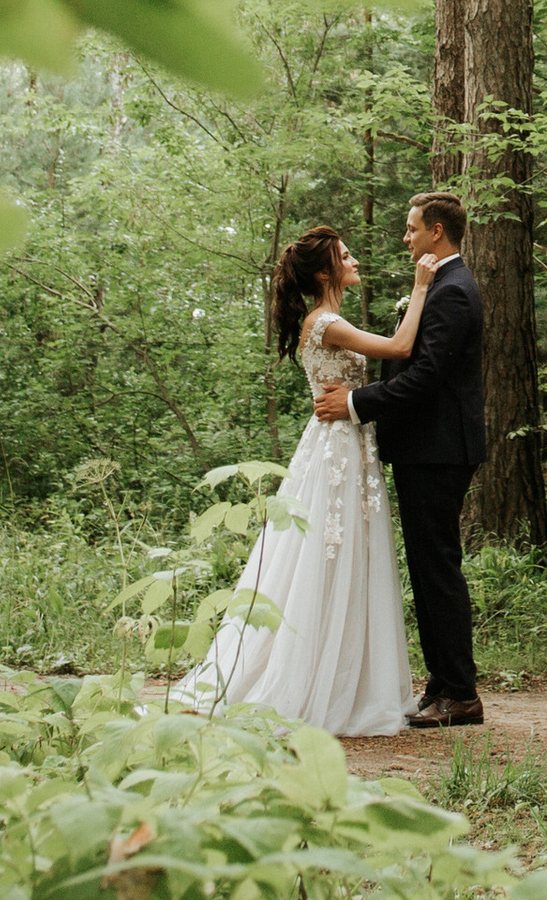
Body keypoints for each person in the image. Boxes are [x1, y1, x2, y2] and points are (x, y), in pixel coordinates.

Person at [173, 225, 431, 735]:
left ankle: (349, 677)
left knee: (348, 554)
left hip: (346, 443)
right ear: (324, 272)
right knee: (328, 554)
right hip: (337, 449)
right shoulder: (326, 322)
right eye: (345, 256)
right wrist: (421, 289)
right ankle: (311, 678)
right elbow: (400, 349)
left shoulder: (329, 319)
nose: (355, 261)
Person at [314, 190, 485, 728]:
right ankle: (440, 685)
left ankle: (460, 692)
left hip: (439, 450)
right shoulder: (442, 285)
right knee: (429, 567)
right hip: (426, 449)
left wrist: (357, 403)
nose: (406, 237)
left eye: (412, 228)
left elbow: (426, 377)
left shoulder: (454, 292)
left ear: (437, 231)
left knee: (438, 569)